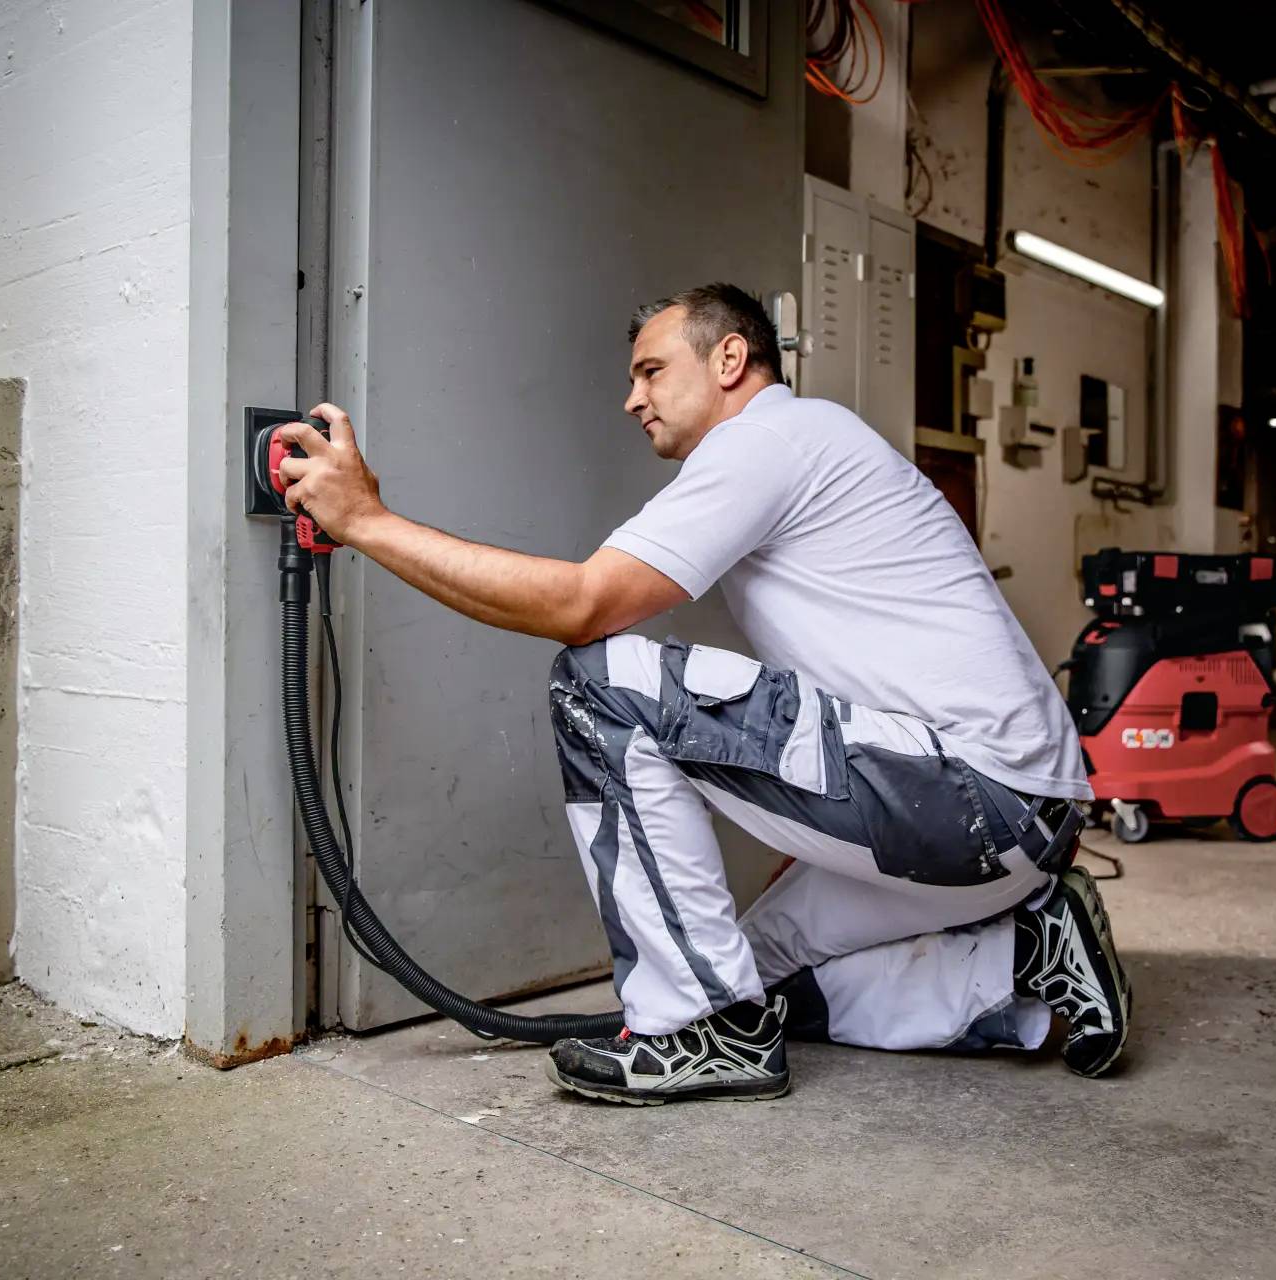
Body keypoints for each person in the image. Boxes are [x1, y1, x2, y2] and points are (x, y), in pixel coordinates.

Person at [275, 283, 1130, 1105]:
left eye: (651, 371)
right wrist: (818, 824)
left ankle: (702, 1035)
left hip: (976, 800)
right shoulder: (809, 443)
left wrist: (366, 521)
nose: (632, 399)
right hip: (1008, 818)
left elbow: (581, 605)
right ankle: (1026, 957)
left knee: (603, 683)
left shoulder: (767, 439)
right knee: (751, 979)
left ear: (729, 359)